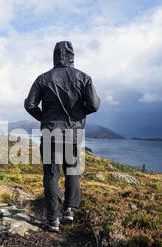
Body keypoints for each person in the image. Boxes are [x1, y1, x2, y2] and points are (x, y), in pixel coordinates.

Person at [24, 41, 101, 232]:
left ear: (55, 56)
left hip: (50, 132)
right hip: (73, 134)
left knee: (51, 175)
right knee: (72, 171)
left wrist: (45, 118)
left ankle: (53, 220)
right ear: (72, 56)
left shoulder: (43, 79)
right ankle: (70, 211)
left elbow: (30, 105)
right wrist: (76, 115)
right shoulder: (84, 78)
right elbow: (94, 105)